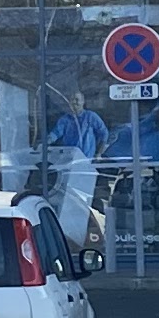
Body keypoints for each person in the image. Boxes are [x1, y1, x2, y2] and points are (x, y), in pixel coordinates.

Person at [41, 95, 110, 250]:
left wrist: (99, 154)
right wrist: (46, 142)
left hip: (86, 165)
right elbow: (55, 133)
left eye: (78, 100)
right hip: (70, 166)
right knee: (70, 199)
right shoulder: (65, 120)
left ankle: (88, 232)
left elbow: (104, 134)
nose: (75, 102)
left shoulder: (91, 117)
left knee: (85, 199)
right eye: (73, 100)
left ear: (84, 102)